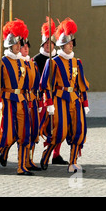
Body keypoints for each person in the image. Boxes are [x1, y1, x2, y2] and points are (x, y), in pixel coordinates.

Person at [39, 18, 90, 173]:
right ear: (62, 44)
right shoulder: (52, 62)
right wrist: (49, 103)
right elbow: (46, 84)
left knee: (78, 131)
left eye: (72, 43)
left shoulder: (77, 62)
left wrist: (85, 103)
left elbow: (81, 85)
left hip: (75, 100)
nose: (71, 45)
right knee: (59, 131)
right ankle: (47, 153)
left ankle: (73, 162)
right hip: (59, 99)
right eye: (68, 43)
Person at [0, 19, 33, 175]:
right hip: (6, 101)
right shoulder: (0, 62)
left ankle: (21, 167)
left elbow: (26, 84)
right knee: (7, 135)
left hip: (21, 101)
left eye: (20, 43)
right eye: (16, 44)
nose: (19, 46)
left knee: (25, 134)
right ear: (8, 44)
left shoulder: (22, 63)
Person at [33, 18, 68, 166]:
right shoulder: (36, 59)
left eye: (51, 44)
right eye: (46, 44)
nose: (49, 46)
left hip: (58, 97)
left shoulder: (59, 58)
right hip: (43, 98)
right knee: (45, 127)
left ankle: (56, 154)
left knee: (59, 126)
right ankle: (43, 154)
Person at [19, 34, 41, 171]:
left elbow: (37, 83)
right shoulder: (17, 64)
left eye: (27, 46)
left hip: (32, 100)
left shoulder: (32, 64)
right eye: (23, 46)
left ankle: (29, 159)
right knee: (22, 132)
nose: (26, 48)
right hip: (21, 100)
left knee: (33, 131)